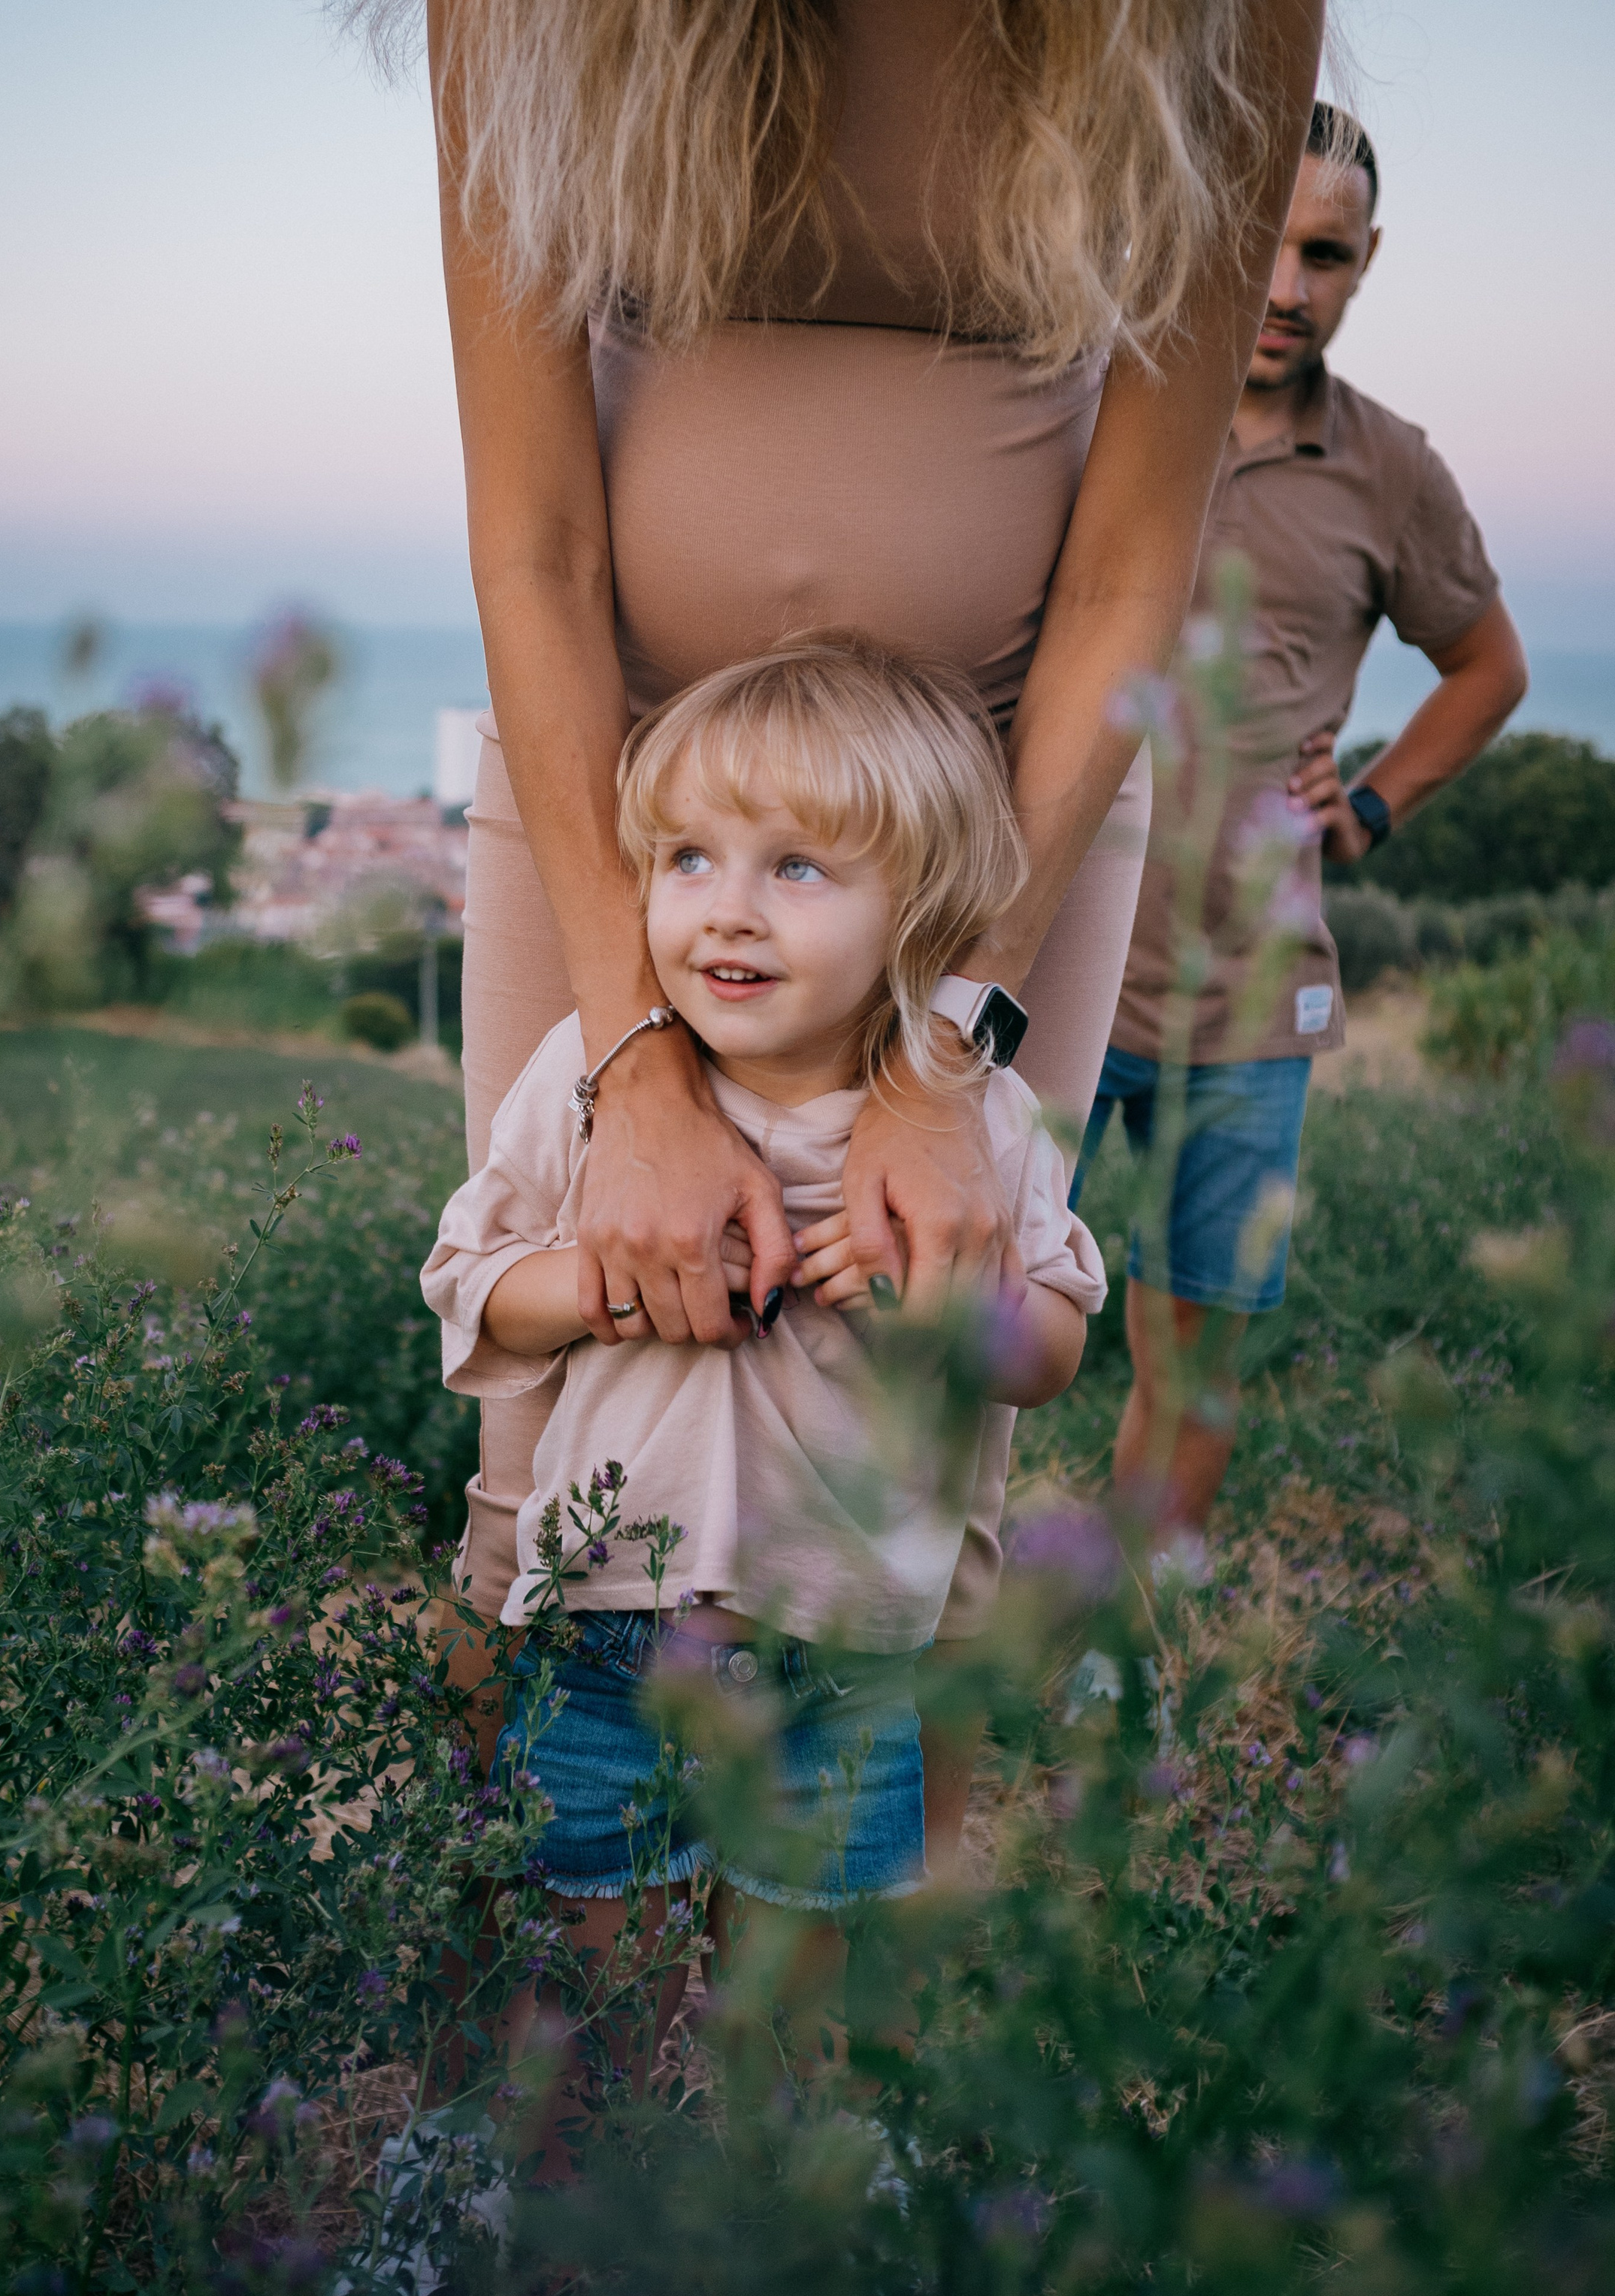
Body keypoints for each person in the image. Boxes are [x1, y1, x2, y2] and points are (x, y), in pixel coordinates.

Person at [352, 0, 1323, 1851]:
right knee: (535, 1468)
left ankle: (850, 1983)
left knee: (931, 1444)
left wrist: (949, 1042)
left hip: (1002, 806)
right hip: (623, 793)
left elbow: (1133, 564)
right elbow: (535, 543)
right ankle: (527, 1988)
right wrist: (635, 1056)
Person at [422, 639, 1105, 2154]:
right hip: (608, 1637)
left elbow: (1057, 1340)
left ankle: (794, 2227)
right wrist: (603, 1280)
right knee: (583, 1987)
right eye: (685, 858)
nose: (724, 907)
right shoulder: (588, 1076)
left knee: (801, 2016)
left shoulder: (976, 1114)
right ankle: (550, 2210)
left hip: (847, 1656)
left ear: (918, 906)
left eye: (795, 865)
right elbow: (469, 1280)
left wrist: (969, 1316)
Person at [1078, 103, 1529, 1544]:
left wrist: (1373, 803)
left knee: (1190, 1358)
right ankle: (923, 1630)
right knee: (968, 1322)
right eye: (1259, 243)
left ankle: (1123, 1632)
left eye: (1323, 256)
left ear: (1366, 263)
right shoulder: (1092, 401)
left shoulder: (1392, 468)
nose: (1284, 287)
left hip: (1253, 999)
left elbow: (1488, 666)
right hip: (1055, 977)